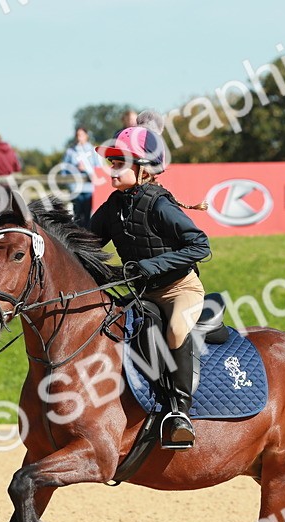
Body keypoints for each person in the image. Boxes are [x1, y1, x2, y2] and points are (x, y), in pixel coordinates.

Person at [91, 126, 211, 450]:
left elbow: (201, 245)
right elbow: (85, 243)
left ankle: (179, 413)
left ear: (142, 169)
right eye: (112, 162)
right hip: (144, 294)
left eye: (119, 163)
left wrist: (150, 266)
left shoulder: (160, 205)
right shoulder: (113, 206)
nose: (111, 170)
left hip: (180, 289)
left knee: (174, 332)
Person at [62, 126, 99, 229]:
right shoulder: (70, 152)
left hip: (88, 188)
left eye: (81, 135)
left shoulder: (92, 151)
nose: (79, 138)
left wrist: (87, 169)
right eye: (77, 135)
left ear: (86, 136)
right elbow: (64, 170)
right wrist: (75, 170)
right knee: (77, 215)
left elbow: (98, 168)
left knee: (87, 215)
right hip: (75, 188)